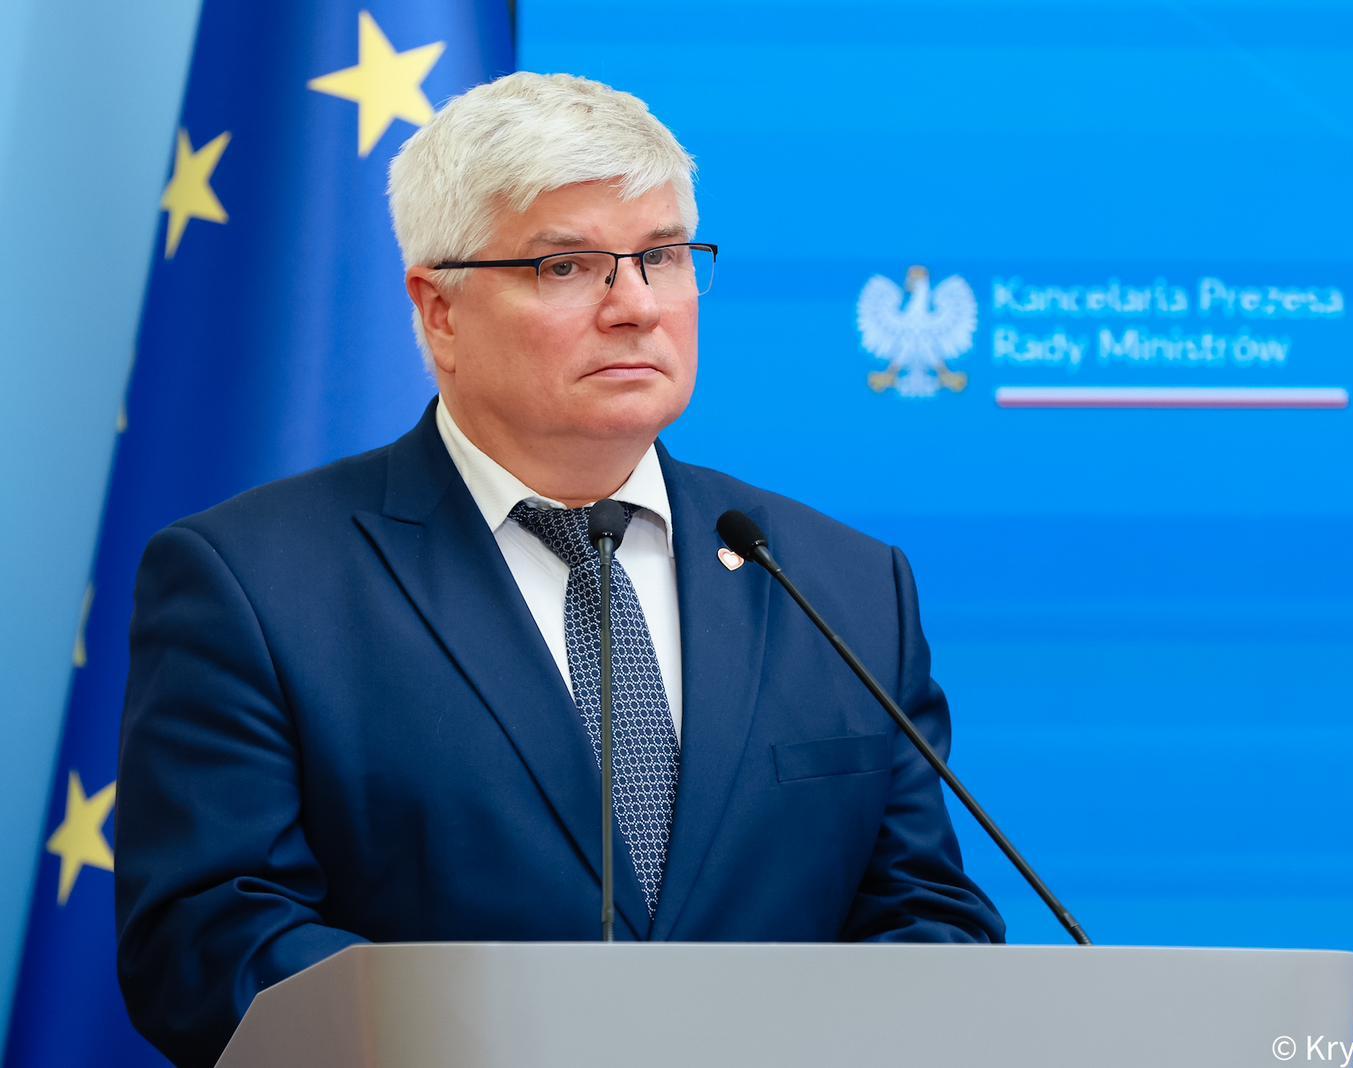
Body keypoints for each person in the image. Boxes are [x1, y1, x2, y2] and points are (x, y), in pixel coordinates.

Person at [114, 72, 1003, 1068]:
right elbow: (208, 943)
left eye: (661, 256)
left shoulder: (845, 586)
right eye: (565, 266)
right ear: (439, 311)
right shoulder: (254, 584)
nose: (636, 307)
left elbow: (927, 916)